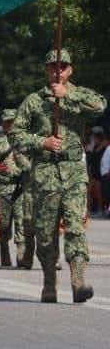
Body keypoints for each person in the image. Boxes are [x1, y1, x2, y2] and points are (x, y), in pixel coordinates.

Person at [10, 49, 107, 303]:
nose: (58, 71)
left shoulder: (78, 95)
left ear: (70, 69)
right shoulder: (34, 101)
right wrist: (42, 142)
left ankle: (78, 282)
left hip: (74, 171)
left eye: (63, 66)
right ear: (46, 69)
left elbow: (101, 105)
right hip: (45, 173)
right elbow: (15, 134)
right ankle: (49, 282)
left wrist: (69, 95)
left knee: (76, 226)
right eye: (53, 66)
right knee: (46, 232)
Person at [0, 109, 29, 267]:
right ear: (2, 122)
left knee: (21, 219)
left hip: (21, 186)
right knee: (3, 224)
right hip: (2, 187)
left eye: (12, 121)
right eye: (7, 122)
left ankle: (21, 251)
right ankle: (3, 245)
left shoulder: (24, 138)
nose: (10, 125)